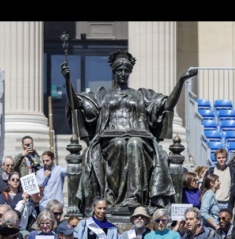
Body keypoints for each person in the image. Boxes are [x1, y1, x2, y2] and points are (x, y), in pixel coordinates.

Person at [61, 50, 198, 213]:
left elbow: (167, 105)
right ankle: (113, 197)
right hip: (110, 138)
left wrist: (181, 81)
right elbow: (77, 104)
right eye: (120, 70)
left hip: (139, 137)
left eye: (126, 70)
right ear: (114, 72)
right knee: (119, 144)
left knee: (134, 143)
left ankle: (134, 197)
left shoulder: (141, 95)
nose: (123, 73)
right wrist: (68, 80)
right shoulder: (103, 95)